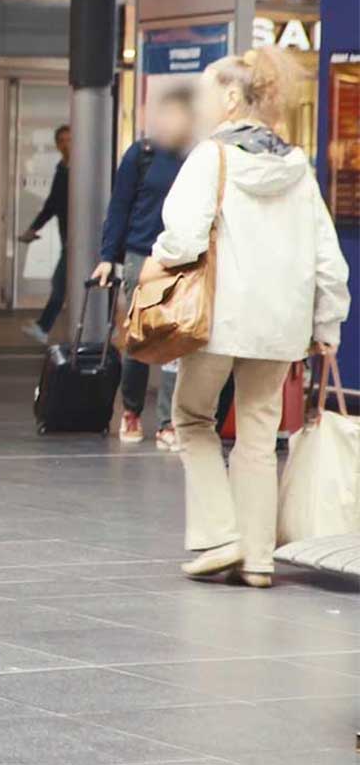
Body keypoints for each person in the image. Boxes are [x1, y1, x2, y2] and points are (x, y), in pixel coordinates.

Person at [152, 48, 349, 589]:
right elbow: (327, 258)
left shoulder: (211, 157)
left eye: (212, 91)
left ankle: (220, 538)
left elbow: (184, 235)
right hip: (280, 327)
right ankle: (259, 559)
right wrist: (327, 325)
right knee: (260, 438)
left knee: (192, 418)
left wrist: (159, 259)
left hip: (219, 320)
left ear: (234, 97)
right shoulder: (298, 165)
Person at [92, 93, 192, 450]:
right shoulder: (141, 155)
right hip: (141, 256)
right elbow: (119, 207)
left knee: (176, 344)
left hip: (182, 257)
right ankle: (132, 410)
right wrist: (108, 255)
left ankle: (168, 421)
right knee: (139, 338)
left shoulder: (197, 157)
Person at [20, 125, 72, 342]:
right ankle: (107, 323)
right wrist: (33, 228)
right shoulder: (62, 169)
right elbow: (52, 204)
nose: (66, 143)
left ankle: (43, 327)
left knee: (60, 282)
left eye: (70, 139)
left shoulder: (81, 170)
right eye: (62, 140)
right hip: (67, 236)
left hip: (79, 238)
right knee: (67, 281)